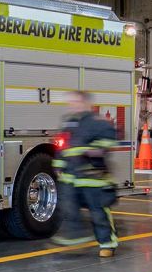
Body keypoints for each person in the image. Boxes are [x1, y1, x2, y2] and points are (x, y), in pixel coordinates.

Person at [51, 91, 122, 257]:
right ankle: (73, 240)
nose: (72, 105)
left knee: (98, 212)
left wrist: (95, 150)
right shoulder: (69, 123)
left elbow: (109, 141)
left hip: (92, 176)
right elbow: (62, 147)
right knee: (70, 209)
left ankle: (107, 243)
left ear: (85, 103)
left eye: (75, 101)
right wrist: (58, 165)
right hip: (72, 177)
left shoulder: (98, 122)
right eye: (70, 102)